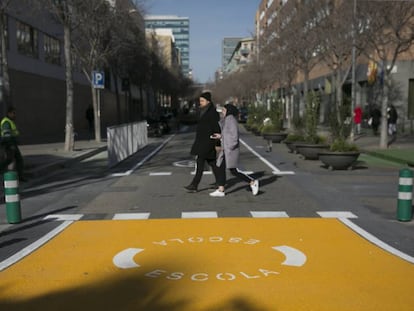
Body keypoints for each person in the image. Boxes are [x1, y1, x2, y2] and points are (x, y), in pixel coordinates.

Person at [209, 103, 259, 197]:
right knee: (220, 167)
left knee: (233, 170)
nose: (222, 112)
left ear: (228, 111)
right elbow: (228, 134)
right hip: (226, 150)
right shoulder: (228, 119)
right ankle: (221, 189)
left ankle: (252, 182)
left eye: (224, 110)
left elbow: (234, 137)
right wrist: (220, 136)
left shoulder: (230, 119)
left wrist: (228, 145)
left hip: (230, 150)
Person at [184, 91, 225, 193]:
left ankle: (194, 184)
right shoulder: (203, 111)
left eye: (202, 101)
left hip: (207, 142)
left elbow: (216, 128)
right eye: (200, 101)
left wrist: (218, 143)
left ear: (208, 101)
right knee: (212, 163)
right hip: (202, 141)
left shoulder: (212, 113)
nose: (200, 102)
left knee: (200, 162)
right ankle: (220, 181)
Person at [0, 106, 25, 181]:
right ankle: (20, 177)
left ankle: (20, 177)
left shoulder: (9, 121)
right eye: (13, 113)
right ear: (9, 113)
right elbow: (7, 135)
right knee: (12, 159)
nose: (15, 115)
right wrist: (11, 145)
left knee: (15, 159)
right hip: (10, 144)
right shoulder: (6, 122)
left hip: (12, 144)